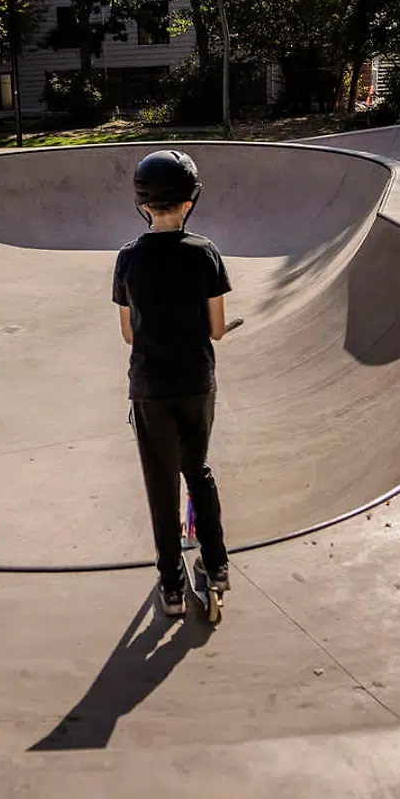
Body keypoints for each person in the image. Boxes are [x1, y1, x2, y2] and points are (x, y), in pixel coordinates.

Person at [112, 150, 232, 617]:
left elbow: (127, 333)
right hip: (196, 382)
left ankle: (172, 586)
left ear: (143, 204)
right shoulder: (204, 252)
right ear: (189, 201)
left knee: (161, 484)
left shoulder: (128, 258)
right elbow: (217, 329)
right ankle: (217, 565)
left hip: (150, 387)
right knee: (197, 469)